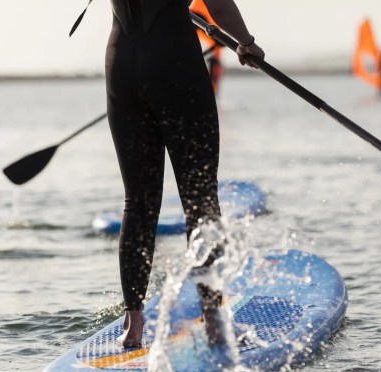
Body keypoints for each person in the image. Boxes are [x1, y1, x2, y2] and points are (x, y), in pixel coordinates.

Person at [105, 0, 265, 348]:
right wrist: (246, 43)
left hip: (123, 66)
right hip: (176, 65)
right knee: (200, 198)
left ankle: (133, 327)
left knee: (139, 201)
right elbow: (219, 7)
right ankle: (213, 322)